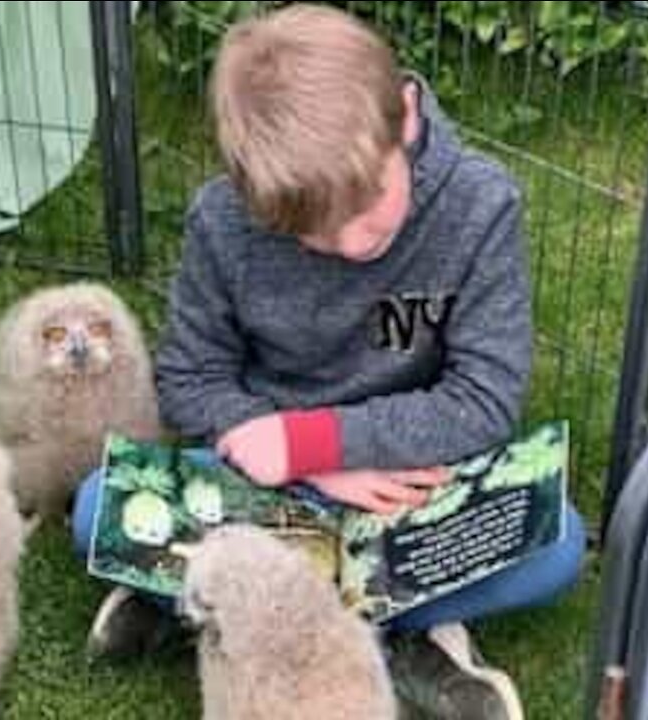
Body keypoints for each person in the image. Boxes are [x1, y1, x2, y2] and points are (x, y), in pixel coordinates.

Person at [72, 5, 585, 718]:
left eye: (370, 204)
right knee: (99, 505)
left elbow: (485, 398)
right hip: (273, 485)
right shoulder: (222, 221)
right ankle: (407, 635)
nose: (350, 244)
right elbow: (191, 377)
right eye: (313, 234)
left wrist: (320, 441)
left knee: (557, 539)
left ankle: (221, 605)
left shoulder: (481, 204)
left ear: (404, 116)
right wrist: (306, 461)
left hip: (407, 487)